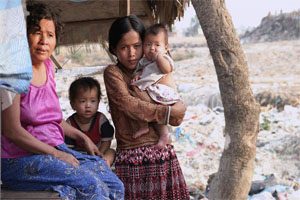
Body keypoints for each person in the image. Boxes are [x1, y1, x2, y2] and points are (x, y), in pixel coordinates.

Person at [1, 2, 124, 200]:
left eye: (50, 35)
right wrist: (57, 154)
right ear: (23, 35)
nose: (43, 41)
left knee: (113, 183)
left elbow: (52, 119)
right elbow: (11, 130)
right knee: (90, 185)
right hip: (20, 159)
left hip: (55, 149)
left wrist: (81, 137)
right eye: (36, 32)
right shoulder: (13, 72)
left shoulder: (48, 67)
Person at [104, 15, 189, 199]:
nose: (132, 53)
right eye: (124, 48)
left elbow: (176, 116)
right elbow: (129, 105)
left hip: (162, 155)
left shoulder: (151, 70)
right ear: (114, 49)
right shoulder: (113, 73)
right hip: (133, 157)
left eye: (137, 46)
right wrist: (167, 112)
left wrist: (176, 109)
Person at [131, 23, 180, 148]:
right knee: (140, 104)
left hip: (162, 92)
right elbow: (139, 71)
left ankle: (164, 134)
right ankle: (144, 126)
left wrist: (159, 57)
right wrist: (137, 75)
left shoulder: (165, 58)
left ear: (166, 48)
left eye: (157, 45)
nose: (152, 48)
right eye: (148, 44)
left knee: (155, 111)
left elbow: (166, 69)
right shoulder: (144, 61)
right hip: (150, 90)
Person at [65, 77, 116, 167]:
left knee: (111, 152)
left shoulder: (101, 119)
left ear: (98, 102)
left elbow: (106, 141)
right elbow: (69, 148)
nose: (88, 105)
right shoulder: (69, 123)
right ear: (73, 104)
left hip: (99, 153)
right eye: (83, 101)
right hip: (79, 156)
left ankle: (103, 167)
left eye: (93, 101)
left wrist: (99, 154)